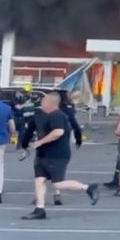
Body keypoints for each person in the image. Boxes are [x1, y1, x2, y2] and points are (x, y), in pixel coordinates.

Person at [19, 92, 100, 220]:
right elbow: (29, 131)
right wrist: (24, 146)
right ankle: (39, 209)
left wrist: (39, 142)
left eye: (44, 100)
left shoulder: (58, 116)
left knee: (57, 184)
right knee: (39, 181)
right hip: (42, 154)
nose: (41, 102)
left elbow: (58, 132)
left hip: (57, 154)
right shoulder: (38, 115)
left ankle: (89, 188)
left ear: (52, 103)